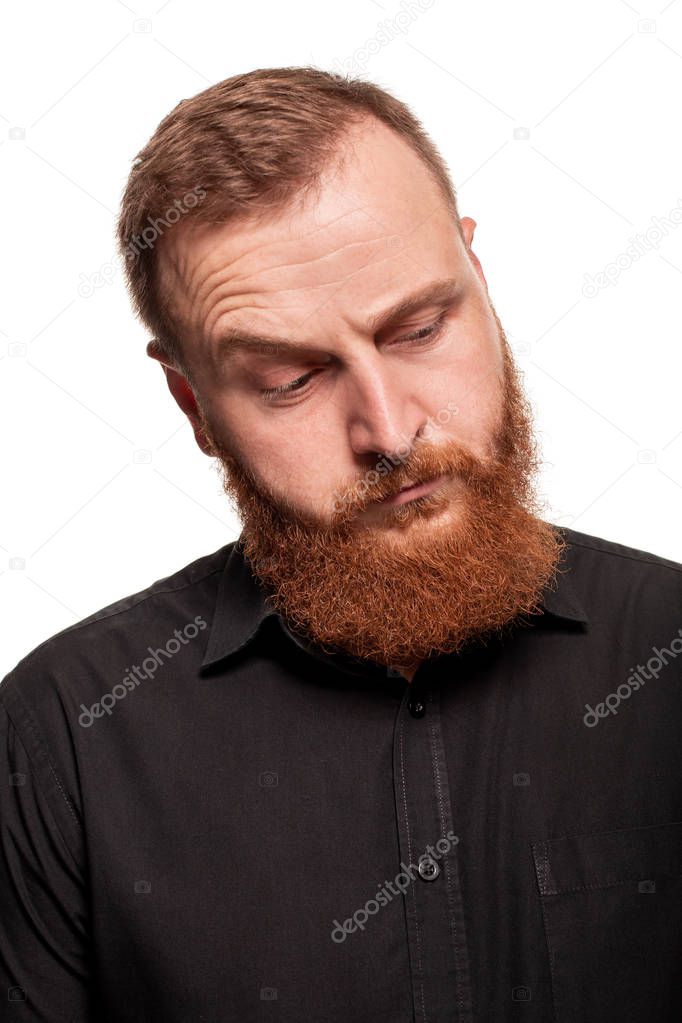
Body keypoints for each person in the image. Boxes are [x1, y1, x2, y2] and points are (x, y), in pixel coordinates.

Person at [2, 67, 681, 1023]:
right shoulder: (59, 740)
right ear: (193, 405)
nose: (391, 431)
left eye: (419, 327)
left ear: (479, 282)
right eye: (290, 379)